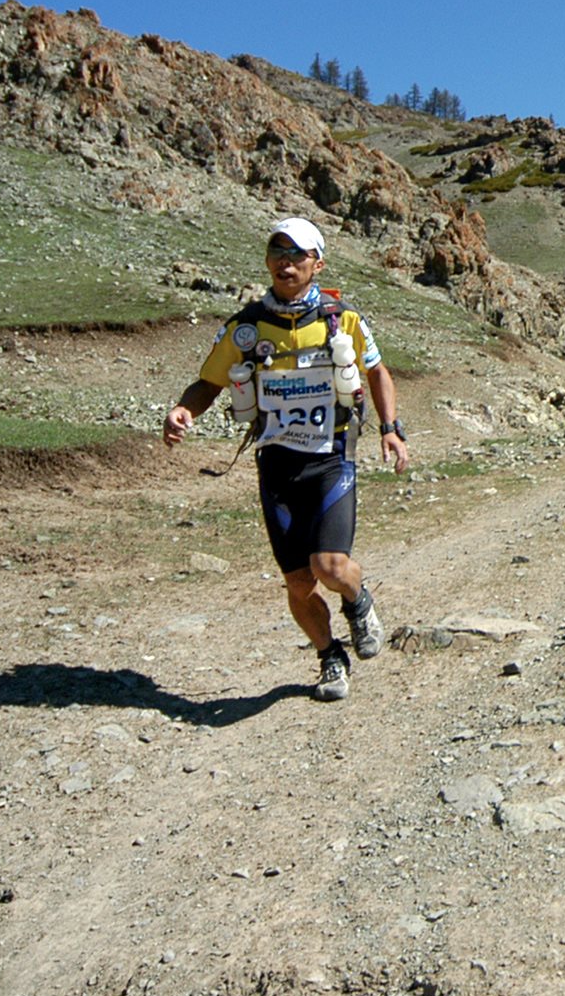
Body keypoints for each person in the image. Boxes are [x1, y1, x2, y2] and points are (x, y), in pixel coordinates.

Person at [162, 217, 409, 701]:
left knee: (331, 567)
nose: (285, 262)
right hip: (276, 462)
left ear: (318, 263)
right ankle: (329, 657)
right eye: (277, 252)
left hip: (331, 457)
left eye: (297, 254)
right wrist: (182, 410)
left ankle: (358, 603)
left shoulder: (344, 320)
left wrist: (390, 428)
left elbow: (378, 372)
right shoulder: (247, 327)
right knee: (298, 582)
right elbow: (209, 382)